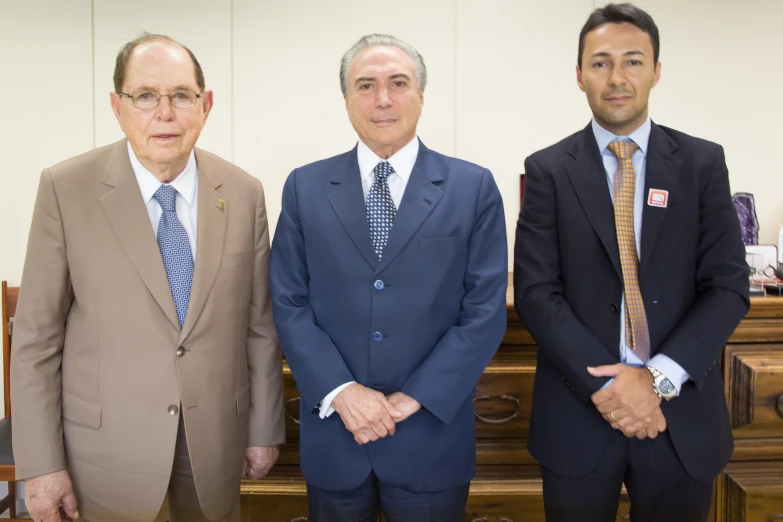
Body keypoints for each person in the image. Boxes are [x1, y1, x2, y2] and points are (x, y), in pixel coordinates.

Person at [11, 33, 284, 522]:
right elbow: (35, 340)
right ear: (118, 107)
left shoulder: (243, 192)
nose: (165, 113)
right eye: (144, 96)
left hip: (215, 447)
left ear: (207, 105)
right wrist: (41, 466)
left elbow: (259, 326)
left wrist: (264, 428)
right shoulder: (66, 189)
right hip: (104, 457)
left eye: (182, 95)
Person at [513, 4, 749, 521]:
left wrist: (656, 380)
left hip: (679, 417)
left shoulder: (703, 164)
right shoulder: (548, 169)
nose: (617, 78)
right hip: (580, 413)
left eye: (633, 61)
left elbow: (728, 286)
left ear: (657, 71)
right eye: (599, 63)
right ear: (578, 76)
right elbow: (536, 292)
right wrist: (612, 386)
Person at [269, 34, 508, 522]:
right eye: (365, 85)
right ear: (345, 100)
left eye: (398, 83)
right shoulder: (305, 187)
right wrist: (343, 391)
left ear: (421, 95)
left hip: (430, 437)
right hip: (337, 434)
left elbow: (483, 313)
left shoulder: (472, 187)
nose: (382, 99)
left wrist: (413, 398)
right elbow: (289, 302)